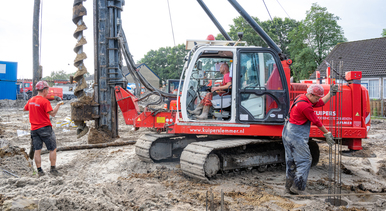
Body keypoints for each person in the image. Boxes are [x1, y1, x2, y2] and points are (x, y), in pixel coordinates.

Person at [282, 84, 336, 195]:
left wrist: (330, 94)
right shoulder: (305, 106)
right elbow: (316, 121)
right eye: (316, 98)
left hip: (287, 133)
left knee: (291, 161)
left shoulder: (301, 97)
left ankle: (288, 186)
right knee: (305, 161)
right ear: (311, 95)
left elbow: (321, 102)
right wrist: (327, 133)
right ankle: (298, 188)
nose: (317, 100)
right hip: (295, 136)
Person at [24, 81, 63, 177]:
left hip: (34, 129)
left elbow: (25, 109)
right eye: (48, 90)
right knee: (52, 148)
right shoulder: (45, 101)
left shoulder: (31, 100)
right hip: (45, 128)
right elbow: (53, 113)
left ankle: (39, 171)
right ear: (45, 90)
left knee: (37, 150)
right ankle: (53, 169)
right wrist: (58, 104)